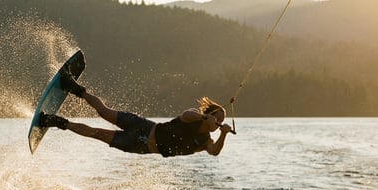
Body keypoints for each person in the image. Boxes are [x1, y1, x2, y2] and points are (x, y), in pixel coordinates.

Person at [39, 69, 234, 157]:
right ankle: (73, 87)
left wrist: (224, 134)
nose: (219, 123)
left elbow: (214, 152)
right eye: (218, 118)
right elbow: (186, 115)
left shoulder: (205, 141)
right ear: (211, 114)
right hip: (145, 126)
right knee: (104, 111)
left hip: (140, 145)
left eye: (221, 122)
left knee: (97, 133)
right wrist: (203, 117)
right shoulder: (194, 116)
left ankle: (55, 121)